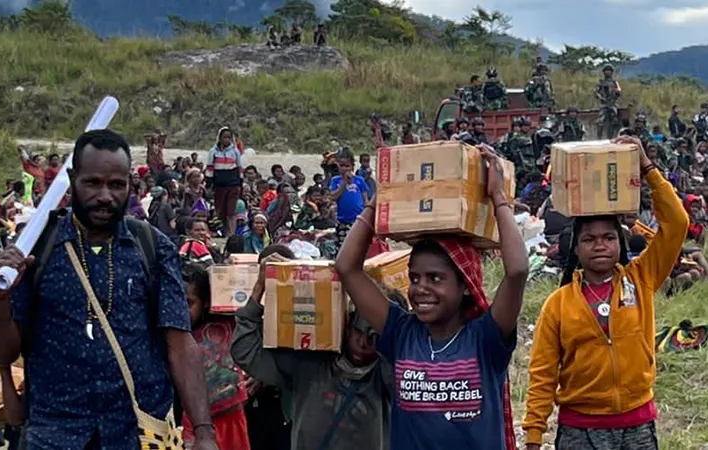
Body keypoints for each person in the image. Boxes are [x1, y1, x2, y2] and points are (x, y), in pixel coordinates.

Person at [0, 129, 217, 450]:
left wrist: (204, 431)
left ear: (129, 186)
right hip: (55, 433)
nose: (105, 196)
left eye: (116, 185)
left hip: (138, 433)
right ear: (72, 179)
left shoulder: (153, 248)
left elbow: (180, 343)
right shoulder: (37, 248)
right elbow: (6, 353)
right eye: (93, 183)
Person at [334, 145, 527, 450]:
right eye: (414, 278)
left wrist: (499, 198)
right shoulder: (401, 333)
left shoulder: (485, 338)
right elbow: (346, 268)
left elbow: (516, 271)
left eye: (435, 278)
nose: (420, 288)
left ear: (465, 285)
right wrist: (376, 204)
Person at [522, 136, 689, 450]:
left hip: (637, 425)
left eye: (609, 237)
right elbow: (542, 373)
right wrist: (533, 436)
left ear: (620, 244)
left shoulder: (642, 279)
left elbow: (678, 223)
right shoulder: (558, 304)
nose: (600, 245)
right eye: (589, 239)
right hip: (579, 431)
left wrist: (648, 168)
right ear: (576, 248)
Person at [231, 245, 394, 450]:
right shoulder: (311, 361)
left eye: (373, 337)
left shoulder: (385, 374)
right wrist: (260, 287)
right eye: (358, 331)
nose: (363, 343)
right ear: (345, 321)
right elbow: (244, 351)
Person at [182, 262, 250, 450]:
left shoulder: (225, 321)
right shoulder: (173, 336)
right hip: (193, 423)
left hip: (232, 417)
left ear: (204, 302)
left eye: (189, 303)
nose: (181, 310)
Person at [207, 127, 244, 237]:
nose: (226, 140)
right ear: (220, 138)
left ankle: (230, 234)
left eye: (228, 137)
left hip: (233, 184)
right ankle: (221, 231)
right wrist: (209, 181)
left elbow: (239, 167)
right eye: (224, 137)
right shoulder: (213, 152)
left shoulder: (235, 151)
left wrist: (240, 181)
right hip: (219, 184)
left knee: (231, 211)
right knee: (220, 210)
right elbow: (210, 167)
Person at [330, 148, 369, 250]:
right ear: (338, 166)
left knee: (359, 246)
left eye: (347, 166)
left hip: (358, 220)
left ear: (352, 166)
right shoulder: (335, 181)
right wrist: (343, 184)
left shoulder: (359, 180)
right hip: (343, 221)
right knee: (343, 247)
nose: (345, 169)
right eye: (342, 166)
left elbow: (365, 200)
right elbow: (333, 197)